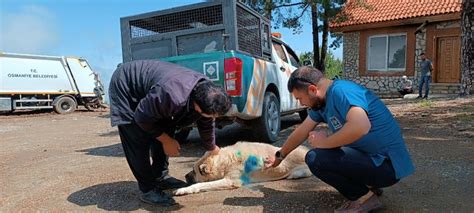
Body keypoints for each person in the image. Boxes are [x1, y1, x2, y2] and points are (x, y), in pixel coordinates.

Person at [265, 66, 414, 212]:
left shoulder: (341, 91)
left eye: (300, 98)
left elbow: (361, 126)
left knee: (316, 157)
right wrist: (280, 156)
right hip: (374, 161)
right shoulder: (322, 103)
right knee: (328, 152)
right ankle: (369, 185)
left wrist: (324, 143)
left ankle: (365, 198)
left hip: (387, 166)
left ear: (312, 89)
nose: (301, 104)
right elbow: (302, 131)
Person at [109, 60, 232, 206]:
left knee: (166, 127)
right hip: (127, 87)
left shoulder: (207, 92)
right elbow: (142, 118)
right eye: (211, 115)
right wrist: (167, 141)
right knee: (137, 138)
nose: (213, 119)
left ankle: (161, 177)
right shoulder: (172, 95)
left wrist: (212, 147)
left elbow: (206, 122)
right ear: (197, 107)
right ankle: (148, 189)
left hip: (157, 92)